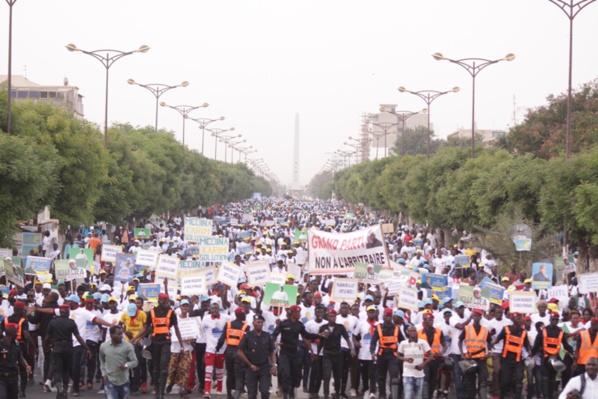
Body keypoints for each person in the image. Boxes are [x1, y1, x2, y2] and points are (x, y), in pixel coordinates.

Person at [132, 292, 184, 399]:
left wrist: (181, 345)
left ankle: (161, 393)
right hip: (154, 342)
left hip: (165, 341)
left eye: (165, 301)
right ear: (158, 301)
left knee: (164, 367)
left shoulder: (171, 313)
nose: (163, 302)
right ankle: (157, 391)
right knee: (155, 368)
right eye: (161, 300)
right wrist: (134, 338)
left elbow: (177, 329)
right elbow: (145, 328)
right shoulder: (151, 312)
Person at [271, 305, 319, 399]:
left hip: (294, 352)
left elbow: (307, 335)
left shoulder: (300, 325)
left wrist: (319, 335)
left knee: (296, 374)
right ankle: (285, 393)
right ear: (291, 313)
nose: (298, 314)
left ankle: (292, 389)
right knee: (285, 373)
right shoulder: (283, 323)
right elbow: (274, 334)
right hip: (284, 351)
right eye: (296, 312)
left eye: (299, 312)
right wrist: (273, 343)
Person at [45, 304, 92, 399]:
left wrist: (46, 346)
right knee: (66, 370)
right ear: (67, 312)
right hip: (68, 348)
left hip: (57, 347)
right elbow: (78, 337)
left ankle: (59, 389)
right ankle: (65, 390)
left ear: (60, 312)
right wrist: (87, 348)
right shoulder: (71, 323)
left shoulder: (53, 322)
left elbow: (47, 337)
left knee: (57, 370)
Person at [531, 311, 574, 399]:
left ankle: (550, 396)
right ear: (550, 319)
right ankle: (545, 396)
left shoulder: (560, 332)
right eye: (553, 319)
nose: (555, 321)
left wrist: (574, 351)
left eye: (556, 320)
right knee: (545, 379)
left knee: (552, 379)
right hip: (545, 358)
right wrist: (530, 354)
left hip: (555, 359)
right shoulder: (543, 331)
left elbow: (565, 345)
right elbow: (536, 345)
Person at [0, 301, 35, 397]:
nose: (24, 311)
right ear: (19, 309)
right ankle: (22, 390)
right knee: (22, 369)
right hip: (21, 344)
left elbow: (0, 332)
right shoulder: (23, 320)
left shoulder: (6, 319)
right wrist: (33, 346)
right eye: (23, 309)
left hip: (6, 344)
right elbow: (27, 335)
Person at [317, 309, 355, 399]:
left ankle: (337, 394)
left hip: (337, 354)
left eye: (334, 316)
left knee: (338, 376)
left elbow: (347, 339)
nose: (332, 318)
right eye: (331, 316)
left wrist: (351, 349)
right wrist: (318, 353)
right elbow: (320, 342)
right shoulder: (323, 328)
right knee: (326, 375)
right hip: (327, 354)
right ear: (327, 317)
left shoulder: (340, 327)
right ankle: (326, 395)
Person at [237, 315, 277, 399]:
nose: (260, 324)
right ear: (253, 323)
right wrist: (250, 365)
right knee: (252, 394)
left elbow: (272, 351)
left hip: (264, 368)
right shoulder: (247, 335)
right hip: (251, 368)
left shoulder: (267, 336)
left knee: (265, 392)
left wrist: (274, 365)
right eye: (258, 322)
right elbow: (240, 351)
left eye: (261, 322)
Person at [493, 312, 531, 399]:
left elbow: (526, 344)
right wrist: (492, 343)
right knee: (505, 381)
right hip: (506, 360)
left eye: (520, 318)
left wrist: (529, 351)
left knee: (519, 380)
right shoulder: (506, 329)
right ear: (512, 320)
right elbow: (498, 338)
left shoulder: (523, 332)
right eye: (517, 318)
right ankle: (502, 396)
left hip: (518, 360)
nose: (520, 320)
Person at [459, 308, 492, 399]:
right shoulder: (467, 329)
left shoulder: (485, 330)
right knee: (470, 383)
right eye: (475, 316)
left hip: (482, 359)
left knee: (483, 383)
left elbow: (490, 342)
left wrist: (489, 352)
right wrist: (462, 353)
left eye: (478, 316)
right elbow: (459, 341)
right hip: (470, 359)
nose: (477, 318)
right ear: (472, 317)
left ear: (481, 317)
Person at [216, 307, 248, 399]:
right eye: (244, 313)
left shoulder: (228, 324)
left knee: (230, 374)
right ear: (241, 315)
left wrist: (217, 348)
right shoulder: (246, 327)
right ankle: (237, 395)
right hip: (240, 352)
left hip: (229, 351)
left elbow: (222, 339)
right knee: (239, 375)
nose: (245, 315)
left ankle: (229, 395)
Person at [370, 308, 402, 399]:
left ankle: (393, 395)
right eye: (386, 316)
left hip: (393, 355)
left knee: (394, 376)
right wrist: (372, 352)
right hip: (382, 354)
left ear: (392, 317)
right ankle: (382, 395)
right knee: (381, 377)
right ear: (383, 316)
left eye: (389, 316)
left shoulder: (396, 328)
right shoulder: (378, 328)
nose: (388, 318)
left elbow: (403, 341)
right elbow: (373, 341)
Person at [99, 325, 138, 399]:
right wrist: (103, 374)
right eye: (119, 334)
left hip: (123, 381)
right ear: (111, 335)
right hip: (110, 381)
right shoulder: (103, 346)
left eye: (122, 334)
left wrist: (126, 365)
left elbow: (134, 361)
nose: (121, 336)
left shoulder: (128, 346)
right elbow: (102, 361)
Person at [398, 325, 433, 399]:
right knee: (408, 395)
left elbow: (431, 355)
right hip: (407, 373)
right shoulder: (403, 343)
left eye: (414, 331)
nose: (413, 333)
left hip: (419, 374)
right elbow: (398, 356)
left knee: (418, 396)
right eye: (411, 331)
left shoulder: (423, 342)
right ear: (408, 333)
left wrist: (423, 364)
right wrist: (405, 359)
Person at [416, 312, 446, 399]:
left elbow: (444, 344)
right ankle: (424, 396)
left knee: (433, 380)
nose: (431, 321)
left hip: (435, 359)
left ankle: (429, 396)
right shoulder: (419, 332)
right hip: (424, 359)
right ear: (424, 321)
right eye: (429, 320)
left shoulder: (438, 331)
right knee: (426, 377)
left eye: (432, 320)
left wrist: (442, 352)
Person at [0, 323, 31, 399]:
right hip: (2, 378)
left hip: (13, 377)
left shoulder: (16, 344)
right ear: (11, 333)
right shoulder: (1, 344)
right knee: (2, 396)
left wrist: (26, 366)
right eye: (16, 332)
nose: (17, 334)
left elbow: (20, 357)